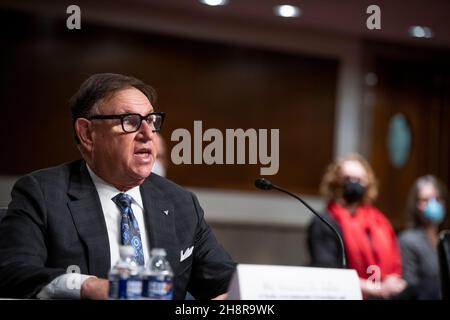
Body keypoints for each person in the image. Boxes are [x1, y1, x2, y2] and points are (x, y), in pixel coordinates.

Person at [0, 73, 236, 300]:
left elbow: (225, 280)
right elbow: (13, 272)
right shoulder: (42, 193)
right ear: (87, 133)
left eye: (152, 121)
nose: (148, 134)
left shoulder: (180, 202)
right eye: (131, 122)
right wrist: (88, 286)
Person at [308, 153, 407, 299]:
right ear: (336, 183)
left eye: (359, 180)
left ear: (368, 184)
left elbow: (394, 261)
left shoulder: (379, 221)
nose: (354, 183)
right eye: (348, 179)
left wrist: (391, 281)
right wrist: (375, 288)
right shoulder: (325, 221)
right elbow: (327, 272)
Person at [398, 175, 448, 299]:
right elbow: (411, 288)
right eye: (425, 200)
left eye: (437, 199)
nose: (433, 204)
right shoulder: (408, 240)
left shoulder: (445, 238)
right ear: (415, 205)